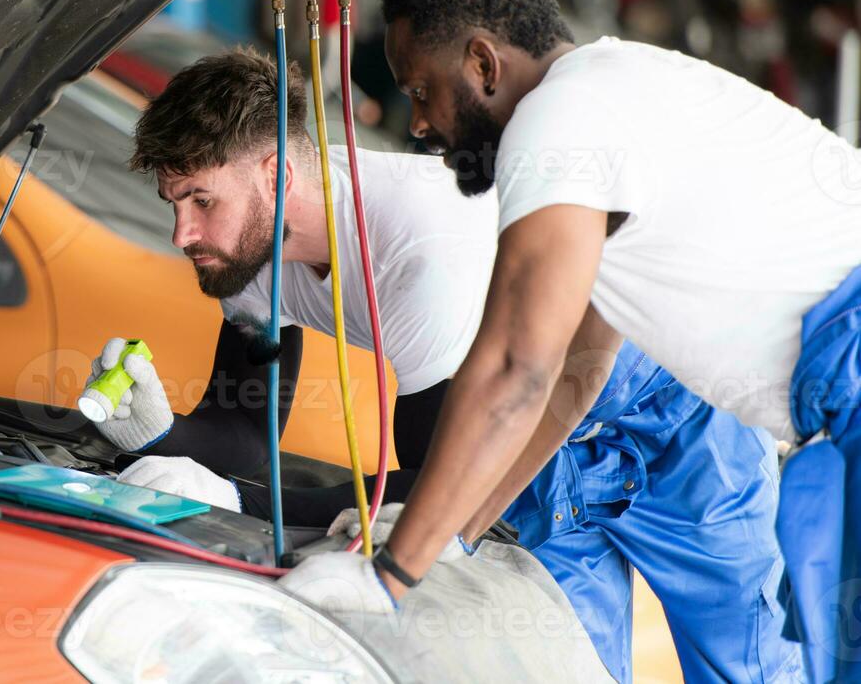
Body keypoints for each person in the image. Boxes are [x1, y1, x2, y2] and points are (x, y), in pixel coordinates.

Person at [80, 49, 802, 682]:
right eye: (174, 203)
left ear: (274, 174)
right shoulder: (248, 261)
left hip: (671, 420)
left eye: (202, 201)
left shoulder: (413, 249)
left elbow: (431, 489)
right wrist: (158, 435)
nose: (183, 233)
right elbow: (243, 434)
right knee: (554, 667)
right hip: (533, 460)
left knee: (750, 667)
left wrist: (237, 501)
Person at [309, 0, 861, 683]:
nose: (418, 124)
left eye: (421, 91)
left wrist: (385, 579)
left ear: (482, 64)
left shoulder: (559, 124)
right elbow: (577, 373)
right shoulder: (614, 95)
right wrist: (451, 539)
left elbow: (514, 365)